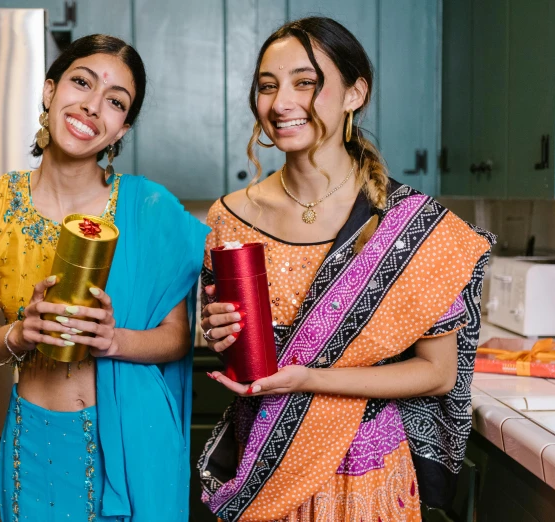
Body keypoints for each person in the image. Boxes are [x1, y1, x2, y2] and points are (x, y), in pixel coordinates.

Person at [197, 17, 495, 522]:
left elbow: (439, 374)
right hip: (266, 468)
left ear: (356, 93)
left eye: (305, 82)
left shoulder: (412, 226)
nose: (281, 102)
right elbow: (228, 346)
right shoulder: (230, 216)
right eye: (267, 86)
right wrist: (216, 332)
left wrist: (307, 379)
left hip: (369, 475)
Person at [0, 34, 208, 521]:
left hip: (132, 442)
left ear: (121, 129)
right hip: (37, 440)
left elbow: (175, 339)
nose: (92, 106)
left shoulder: (147, 210)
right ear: (50, 92)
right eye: (81, 83)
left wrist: (113, 340)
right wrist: (19, 334)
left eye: (114, 102)